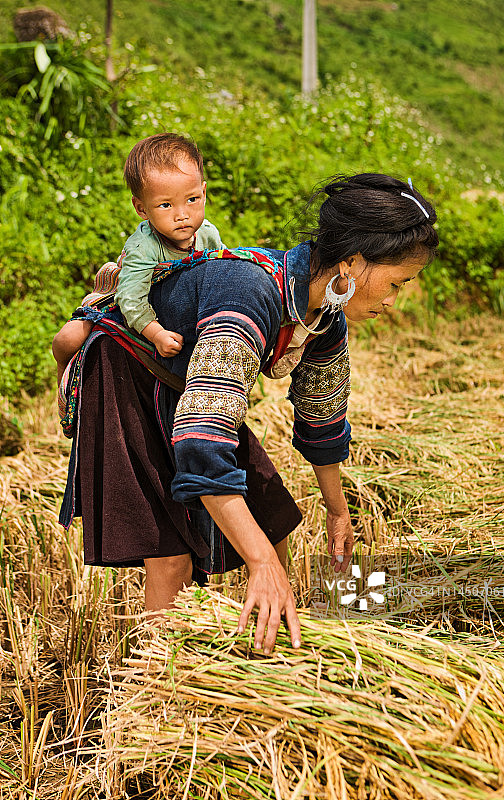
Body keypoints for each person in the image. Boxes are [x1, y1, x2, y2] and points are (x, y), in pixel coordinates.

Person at [58, 173, 438, 655]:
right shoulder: (248, 294)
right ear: (352, 264)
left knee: (272, 517)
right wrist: (260, 564)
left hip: (186, 383)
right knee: (172, 552)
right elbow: (202, 442)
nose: (392, 299)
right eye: (396, 282)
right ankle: (156, 679)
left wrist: (337, 512)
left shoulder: (322, 317)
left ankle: (267, 646)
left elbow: (322, 417)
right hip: (128, 375)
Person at [52, 134, 223, 382]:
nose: (182, 215)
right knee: (69, 338)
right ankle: (63, 372)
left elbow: (222, 270)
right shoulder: (144, 246)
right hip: (122, 295)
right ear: (142, 208)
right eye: (166, 205)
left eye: (192, 199)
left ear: (204, 192)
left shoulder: (208, 234)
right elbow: (131, 300)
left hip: (172, 301)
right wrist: (156, 334)